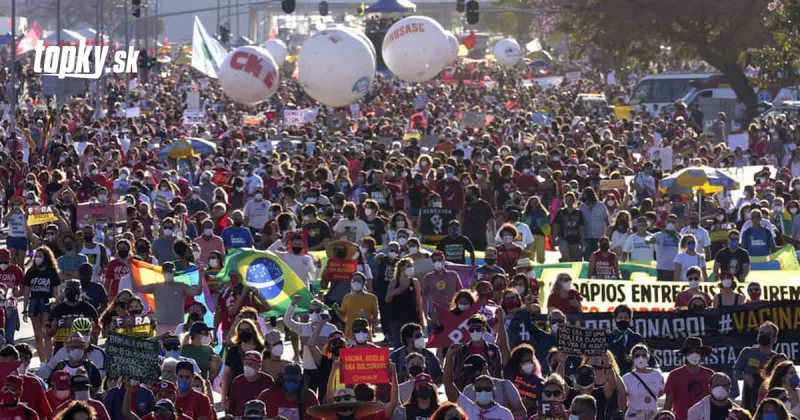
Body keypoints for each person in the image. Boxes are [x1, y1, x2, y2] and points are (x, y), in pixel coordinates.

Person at [444, 344, 514, 420]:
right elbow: (448, 383)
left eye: (487, 389)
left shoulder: (505, 413)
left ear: (493, 391)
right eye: (479, 389)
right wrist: (449, 357)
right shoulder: (468, 407)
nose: (483, 392)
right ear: (474, 390)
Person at [130, 262, 204, 334]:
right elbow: (136, 288)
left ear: (174, 271)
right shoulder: (156, 286)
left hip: (177, 326)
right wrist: (131, 268)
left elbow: (197, 292)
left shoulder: (181, 286)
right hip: (160, 325)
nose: (168, 273)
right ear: (162, 272)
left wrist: (201, 276)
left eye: (170, 270)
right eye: (166, 271)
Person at [23, 246, 61, 362]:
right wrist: (24, 309)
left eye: (40, 256)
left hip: (47, 304)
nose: (38, 258)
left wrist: (54, 306)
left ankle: (49, 360)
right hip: (34, 304)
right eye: (36, 256)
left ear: (46, 258)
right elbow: (26, 292)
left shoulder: (52, 272)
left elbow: (56, 292)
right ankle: (42, 361)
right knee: (38, 335)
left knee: (47, 334)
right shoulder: (31, 272)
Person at [664, 337, 716, 420]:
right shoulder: (674, 375)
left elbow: (715, 400)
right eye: (691, 352)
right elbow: (668, 402)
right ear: (685, 354)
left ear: (701, 354)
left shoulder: (710, 374)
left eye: (697, 352)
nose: (694, 354)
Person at [734, 321, 779, 413]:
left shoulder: (778, 358)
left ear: (775, 339)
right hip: (749, 400)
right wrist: (745, 376)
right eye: (761, 333)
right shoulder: (747, 352)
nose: (764, 335)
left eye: (768, 334)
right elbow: (736, 373)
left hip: (771, 402)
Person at [448, 316, 502, 388]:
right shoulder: (462, 351)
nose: (475, 332)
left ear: (484, 330)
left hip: (489, 387)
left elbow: (498, 372)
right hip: (467, 388)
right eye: (471, 330)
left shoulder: (494, 349)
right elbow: (456, 373)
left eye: (478, 329)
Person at [47, 279, 99, 351]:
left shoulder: (88, 309)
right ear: (65, 292)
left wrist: (94, 348)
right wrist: (54, 327)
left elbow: (96, 332)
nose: (73, 293)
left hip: (84, 348)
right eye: (71, 291)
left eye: (76, 291)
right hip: (62, 349)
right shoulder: (58, 310)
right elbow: (48, 333)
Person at [622, 344, 664, 420]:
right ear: (632, 358)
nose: (640, 358)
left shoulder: (657, 375)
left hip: (652, 415)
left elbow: (661, 391)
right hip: (634, 416)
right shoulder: (626, 378)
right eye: (637, 355)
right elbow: (623, 397)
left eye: (644, 355)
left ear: (648, 357)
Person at [226, 350, 274, 416]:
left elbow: (272, 404)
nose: (247, 366)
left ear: (259, 366)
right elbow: (232, 404)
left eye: (251, 364)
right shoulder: (237, 381)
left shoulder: (267, 380)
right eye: (246, 363)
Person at [552, 191, 585, 262]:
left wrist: (582, 241)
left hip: (575, 238)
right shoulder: (560, 212)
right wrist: (554, 238)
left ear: (574, 200)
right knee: (566, 255)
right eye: (567, 199)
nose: (568, 201)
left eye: (570, 199)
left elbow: (581, 227)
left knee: (574, 259)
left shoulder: (578, 213)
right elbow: (556, 226)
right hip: (563, 237)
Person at [647, 214, 681, 280]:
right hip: (662, 268)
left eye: (673, 222)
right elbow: (649, 238)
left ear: (676, 223)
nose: (671, 224)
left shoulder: (679, 236)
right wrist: (650, 240)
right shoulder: (660, 235)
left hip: (675, 268)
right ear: (665, 222)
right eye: (669, 222)